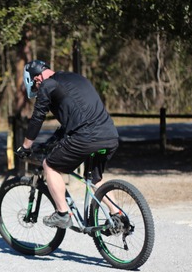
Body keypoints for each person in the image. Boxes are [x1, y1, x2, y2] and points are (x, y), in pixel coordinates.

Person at [15, 59, 119, 229]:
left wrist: (26, 147)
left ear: (36, 79)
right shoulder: (76, 78)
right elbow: (73, 120)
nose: (37, 90)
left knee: (49, 166)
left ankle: (62, 213)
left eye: (35, 88)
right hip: (110, 134)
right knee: (94, 179)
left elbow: (37, 118)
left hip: (86, 137)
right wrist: (49, 143)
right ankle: (117, 216)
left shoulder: (47, 85)